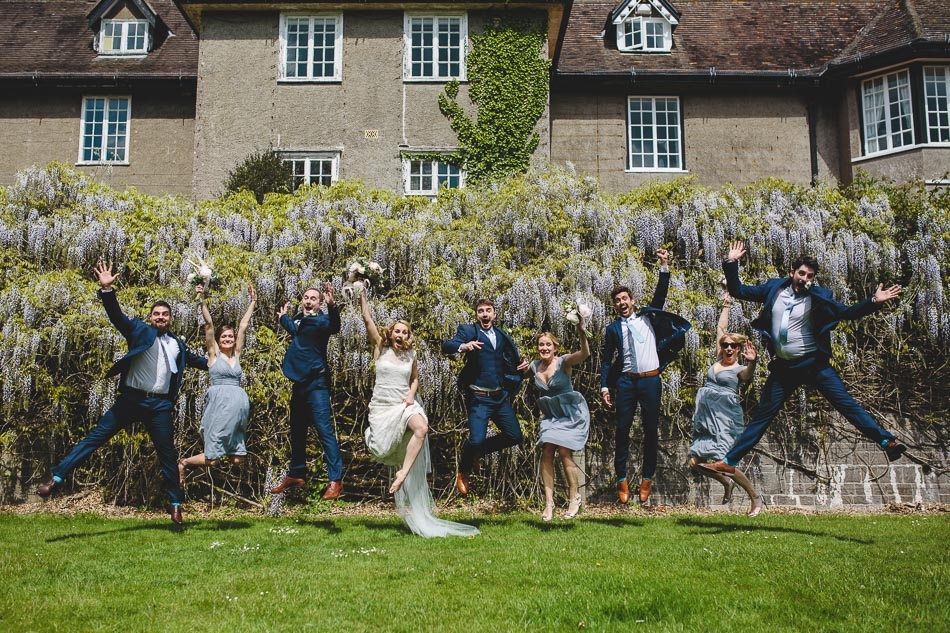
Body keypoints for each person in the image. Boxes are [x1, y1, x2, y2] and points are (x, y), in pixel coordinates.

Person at [703, 241, 907, 480]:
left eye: (809, 275)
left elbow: (846, 313)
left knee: (847, 405)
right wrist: (731, 263)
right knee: (762, 416)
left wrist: (874, 301)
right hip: (785, 368)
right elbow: (738, 290)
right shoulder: (773, 289)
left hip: (814, 365)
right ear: (792, 273)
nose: (805, 278)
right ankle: (729, 461)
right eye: (801, 273)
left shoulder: (819, 296)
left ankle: (886, 441)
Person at [37, 262, 208, 525]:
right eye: (156, 314)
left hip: (160, 406)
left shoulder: (178, 345)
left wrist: (227, 359)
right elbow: (117, 316)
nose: (160, 317)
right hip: (131, 399)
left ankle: (175, 504)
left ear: (171, 318)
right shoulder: (139, 330)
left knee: (167, 456)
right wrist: (107, 289)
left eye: (165, 314)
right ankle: (56, 478)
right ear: (151, 317)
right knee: (96, 437)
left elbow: (204, 362)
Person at [358, 285, 479, 537]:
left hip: (405, 403)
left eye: (404, 331)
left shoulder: (411, 354)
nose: (400, 334)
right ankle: (397, 463)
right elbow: (367, 319)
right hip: (382, 407)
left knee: (422, 428)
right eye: (397, 330)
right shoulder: (380, 348)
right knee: (380, 447)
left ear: (408, 335)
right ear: (390, 334)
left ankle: (403, 472)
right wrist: (362, 295)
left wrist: (412, 395)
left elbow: (414, 380)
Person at [601, 248, 692, 505]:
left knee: (651, 430)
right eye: (617, 300)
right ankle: (621, 478)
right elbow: (607, 360)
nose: (621, 303)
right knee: (622, 430)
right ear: (614, 304)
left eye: (625, 298)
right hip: (626, 381)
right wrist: (604, 387)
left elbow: (660, 295)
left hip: (651, 380)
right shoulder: (612, 329)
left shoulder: (647, 319)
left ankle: (646, 478)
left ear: (632, 300)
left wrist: (664, 266)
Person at [442, 298, 528, 496]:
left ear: (494, 314)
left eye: (488, 310)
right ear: (477, 315)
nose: (485, 314)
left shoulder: (501, 336)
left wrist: (522, 367)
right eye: (481, 311)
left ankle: (478, 453)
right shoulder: (470, 331)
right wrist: (464, 346)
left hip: (499, 397)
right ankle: (464, 469)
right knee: (476, 439)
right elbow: (448, 345)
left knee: (514, 435)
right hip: (479, 398)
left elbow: (510, 363)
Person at [689, 292, 762, 517]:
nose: (728, 348)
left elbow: (748, 375)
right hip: (706, 417)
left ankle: (755, 498)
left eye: (733, 346)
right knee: (694, 462)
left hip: (725, 419)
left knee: (725, 463)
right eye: (726, 345)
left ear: (739, 350)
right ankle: (726, 483)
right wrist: (726, 305)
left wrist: (753, 362)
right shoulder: (717, 360)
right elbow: (720, 329)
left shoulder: (739, 369)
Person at [269, 283, 344, 500]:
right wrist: (283, 318)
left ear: (319, 303)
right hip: (299, 384)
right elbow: (295, 330)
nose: (309, 301)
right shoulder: (299, 320)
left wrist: (333, 306)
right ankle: (296, 473)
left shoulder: (322, 321)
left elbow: (335, 327)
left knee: (324, 430)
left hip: (316, 383)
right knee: (297, 430)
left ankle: (335, 480)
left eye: (313, 298)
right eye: (306, 297)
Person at [178, 283, 257, 483]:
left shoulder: (237, 354)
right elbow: (209, 325)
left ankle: (223, 449)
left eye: (230, 336)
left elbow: (243, 327)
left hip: (238, 406)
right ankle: (184, 463)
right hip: (219, 405)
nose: (229, 339)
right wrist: (201, 299)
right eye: (225, 337)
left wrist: (253, 303)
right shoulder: (214, 355)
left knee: (238, 459)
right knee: (212, 460)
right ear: (219, 340)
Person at [527, 321, 590, 521]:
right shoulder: (534, 365)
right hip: (551, 414)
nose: (544, 348)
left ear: (555, 348)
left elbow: (584, 353)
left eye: (548, 345)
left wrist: (581, 332)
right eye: (541, 345)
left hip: (570, 412)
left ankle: (574, 496)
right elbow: (516, 374)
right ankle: (549, 503)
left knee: (564, 451)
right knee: (546, 450)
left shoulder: (564, 362)